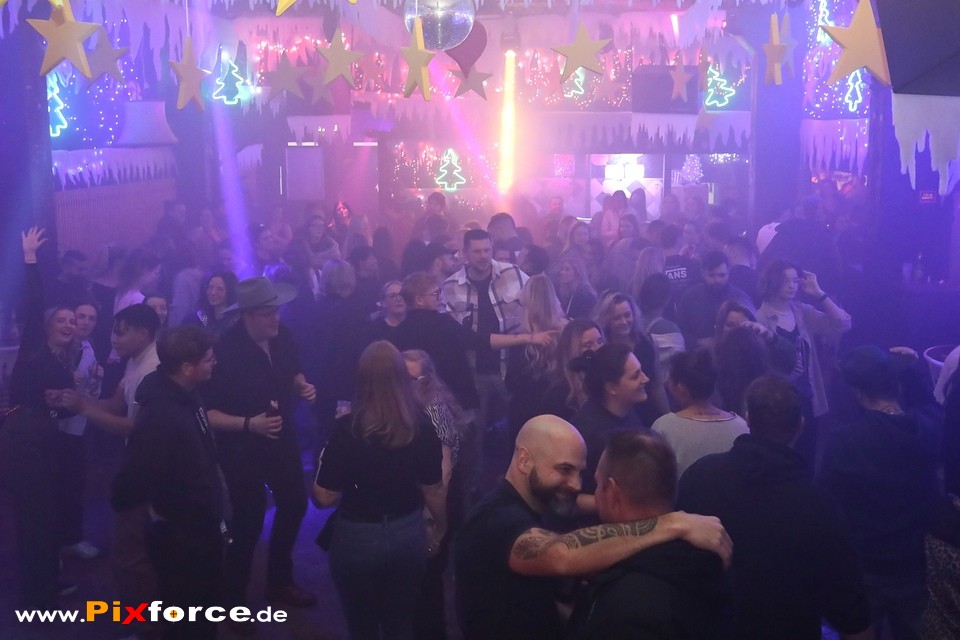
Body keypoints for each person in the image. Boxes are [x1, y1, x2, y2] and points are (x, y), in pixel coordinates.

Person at [454, 415, 732, 640]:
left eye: (581, 473)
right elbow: (559, 555)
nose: (577, 485)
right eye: (564, 470)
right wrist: (672, 522)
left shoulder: (541, 507)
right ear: (524, 460)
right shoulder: (493, 520)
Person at [678, 375, 872, 640]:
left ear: (747, 418)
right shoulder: (819, 505)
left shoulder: (700, 475)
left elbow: (678, 565)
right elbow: (851, 611)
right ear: (801, 425)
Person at [205, 277, 318, 634]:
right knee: (248, 519)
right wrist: (248, 424)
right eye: (268, 313)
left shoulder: (282, 337)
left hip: (280, 437)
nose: (275, 318)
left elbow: (293, 368)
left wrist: (302, 385)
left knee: (295, 504)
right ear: (247, 315)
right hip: (241, 446)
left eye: (276, 311)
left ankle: (279, 580)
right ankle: (232, 599)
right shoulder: (224, 351)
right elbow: (206, 413)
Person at [315, 341, 447, 640]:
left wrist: (322, 459)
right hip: (406, 531)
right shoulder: (420, 425)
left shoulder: (347, 428)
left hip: (357, 534)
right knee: (400, 622)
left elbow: (324, 497)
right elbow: (434, 489)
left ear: (362, 377)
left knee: (361, 625)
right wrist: (440, 528)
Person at [819, 346, 942, 639]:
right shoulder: (927, 429)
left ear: (858, 393)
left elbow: (827, 507)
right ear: (895, 384)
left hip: (865, 563)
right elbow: (934, 409)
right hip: (915, 560)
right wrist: (912, 371)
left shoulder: (844, 443)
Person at [111, 326, 224, 640]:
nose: (214, 363)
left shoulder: (187, 393)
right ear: (187, 367)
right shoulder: (161, 414)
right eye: (209, 359)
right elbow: (136, 474)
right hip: (182, 532)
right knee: (186, 611)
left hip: (198, 523)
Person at [567, 432, 729, 639]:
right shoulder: (700, 562)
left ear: (613, 493)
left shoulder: (627, 607)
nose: (595, 494)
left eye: (598, 484)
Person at [0, 227, 80, 607]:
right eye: (61, 320)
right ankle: (39, 595)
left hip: (43, 434)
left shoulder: (63, 361)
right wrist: (30, 259)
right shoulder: (35, 347)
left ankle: (46, 581)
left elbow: (60, 405)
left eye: (73, 322)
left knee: (45, 513)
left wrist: (63, 400)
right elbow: (34, 304)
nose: (69, 325)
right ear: (47, 326)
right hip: (24, 435)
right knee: (35, 516)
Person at [756, 259, 851, 464]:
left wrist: (819, 293)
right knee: (779, 458)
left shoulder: (801, 311)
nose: (792, 286)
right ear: (773, 281)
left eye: (795, 281)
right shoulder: (759, 317)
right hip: (776, 401)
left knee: (807, 457)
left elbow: (843, 323)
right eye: (785, 281)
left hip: (808, 398)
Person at [442, 229, 529, 432]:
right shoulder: (451, 285)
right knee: (475, 434)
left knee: (518, 427)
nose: (483, 256)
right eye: (477, 251)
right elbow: (450, 334)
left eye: (487, 250)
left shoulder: (514, 273)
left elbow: (541, 303)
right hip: (473, 371)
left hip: (510, 368)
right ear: (465, 253)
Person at [568, 343, 650, 493]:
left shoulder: (628, 410)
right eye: (635, 376)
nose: (646, 379)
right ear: (612, 387)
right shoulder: (589, 432)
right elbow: (571, 497)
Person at [652, 349, 748, 476]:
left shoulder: (664, 427)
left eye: (668, 378)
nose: (666, 382)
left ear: (680, 387)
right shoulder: (741, 426)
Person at [58, 299, 103, 561]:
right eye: (80, 316)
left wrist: (97, 379)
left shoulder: (88, 348)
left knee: (74, 484)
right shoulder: (57, 346)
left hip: (77, 426)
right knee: (57, 485)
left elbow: (91, 393)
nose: (85, 322)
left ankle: (71, 538)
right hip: (54, 426)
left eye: (91, 318)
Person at [593, 291, 669, 425]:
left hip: (648, 411)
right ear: (607, 320)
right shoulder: (602, 348)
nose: (624, 321)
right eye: (617, 318)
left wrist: (667, 416)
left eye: (627, 315)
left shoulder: (647, 343)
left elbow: (656, 384)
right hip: (618, 416)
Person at [505, 275, 567, 436]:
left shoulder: (520, 338)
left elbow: (511, 382)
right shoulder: (566, 333)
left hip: (526, 414)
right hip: (559, 410)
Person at [676, 250, 753, 349]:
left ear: (729, 272)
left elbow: (751, 331)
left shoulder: (740, 298)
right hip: (698, 355)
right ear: (702, 273)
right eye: (711, 275)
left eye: (721, 275)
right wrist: (696, 342)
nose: (717, 280)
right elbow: (679, 330)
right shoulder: (689, 298)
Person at [538, 319, 604, 421]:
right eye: (588, 345)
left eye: (600, 342)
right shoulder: (559, 394)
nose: (597, 348)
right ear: (572, 350)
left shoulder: (607, 379)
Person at [549, 253, 596, 320]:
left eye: (567, 269)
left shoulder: (586, 295)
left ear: (577, 272)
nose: (562, 272)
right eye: (562, 269)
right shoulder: (559, 290)